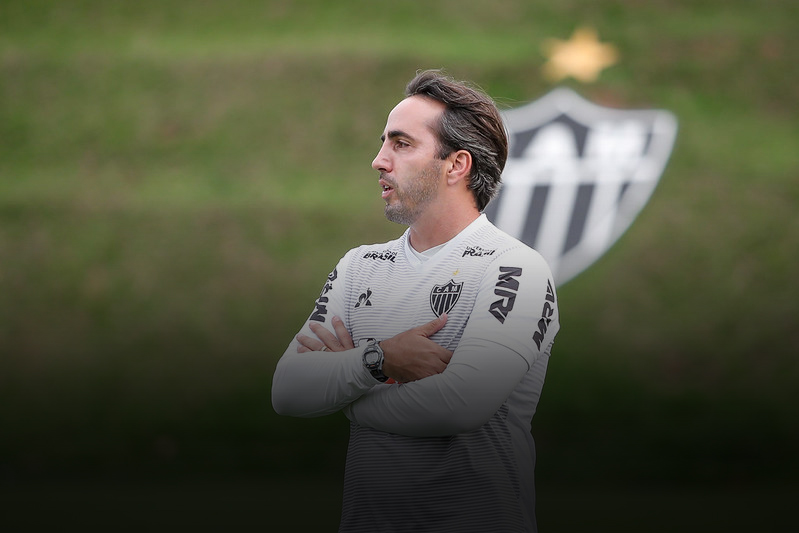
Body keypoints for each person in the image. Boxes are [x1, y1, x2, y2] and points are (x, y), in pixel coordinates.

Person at [272, 69, 560, 533]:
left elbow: (461, 403)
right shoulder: (359, 265)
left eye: (401, 144)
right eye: (384, 143)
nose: (378, 161)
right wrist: (379, 360)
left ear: (456, 165)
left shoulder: (514, 268)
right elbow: (288, 391)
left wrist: (345, 392)